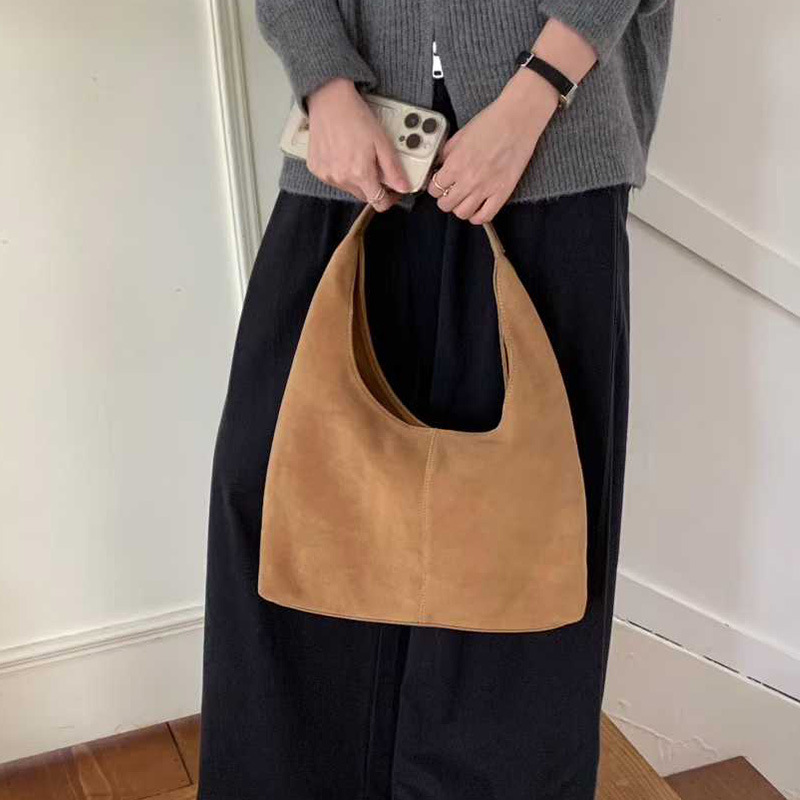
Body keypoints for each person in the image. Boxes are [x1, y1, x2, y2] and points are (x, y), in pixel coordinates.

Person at [197, 2, 674, 798]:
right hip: (354, 151)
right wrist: (325, 85)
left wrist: (533, 97)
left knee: (520, 545)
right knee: (276, 488)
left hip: (550, 150)